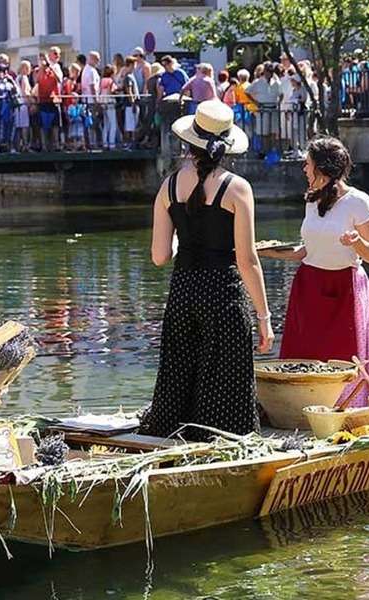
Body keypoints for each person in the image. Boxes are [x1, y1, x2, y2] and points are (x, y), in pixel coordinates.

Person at [139, 100, 273, 441]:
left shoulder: (168, 187)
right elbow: (247, 260)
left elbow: (159, 257)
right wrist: (264, 317)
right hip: (223, 294)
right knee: (225, 380)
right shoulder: (237, 188)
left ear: (189, 142)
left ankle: (172, 440)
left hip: (183, 291)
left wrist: (179, 241)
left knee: (179, 372)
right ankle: (220, 444)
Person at [259, 137, 369, 407]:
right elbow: (306, 250)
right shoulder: (312, 200)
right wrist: (265, 252)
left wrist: (356, 242)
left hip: (345, 288)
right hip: (309, 286)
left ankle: (348, 407)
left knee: (341, 355)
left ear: (322, 168)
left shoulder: (359, 202)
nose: (304, 169)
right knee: (304, 355)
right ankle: (299, 408)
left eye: (308, 164)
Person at [99, 64, 118, 149]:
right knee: (113, 124)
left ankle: (105, 143)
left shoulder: (102, 80)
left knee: (106, 124)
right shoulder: (111, 81)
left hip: (103, 103)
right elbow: (112, 91)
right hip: (110, 103)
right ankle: (112, 143)